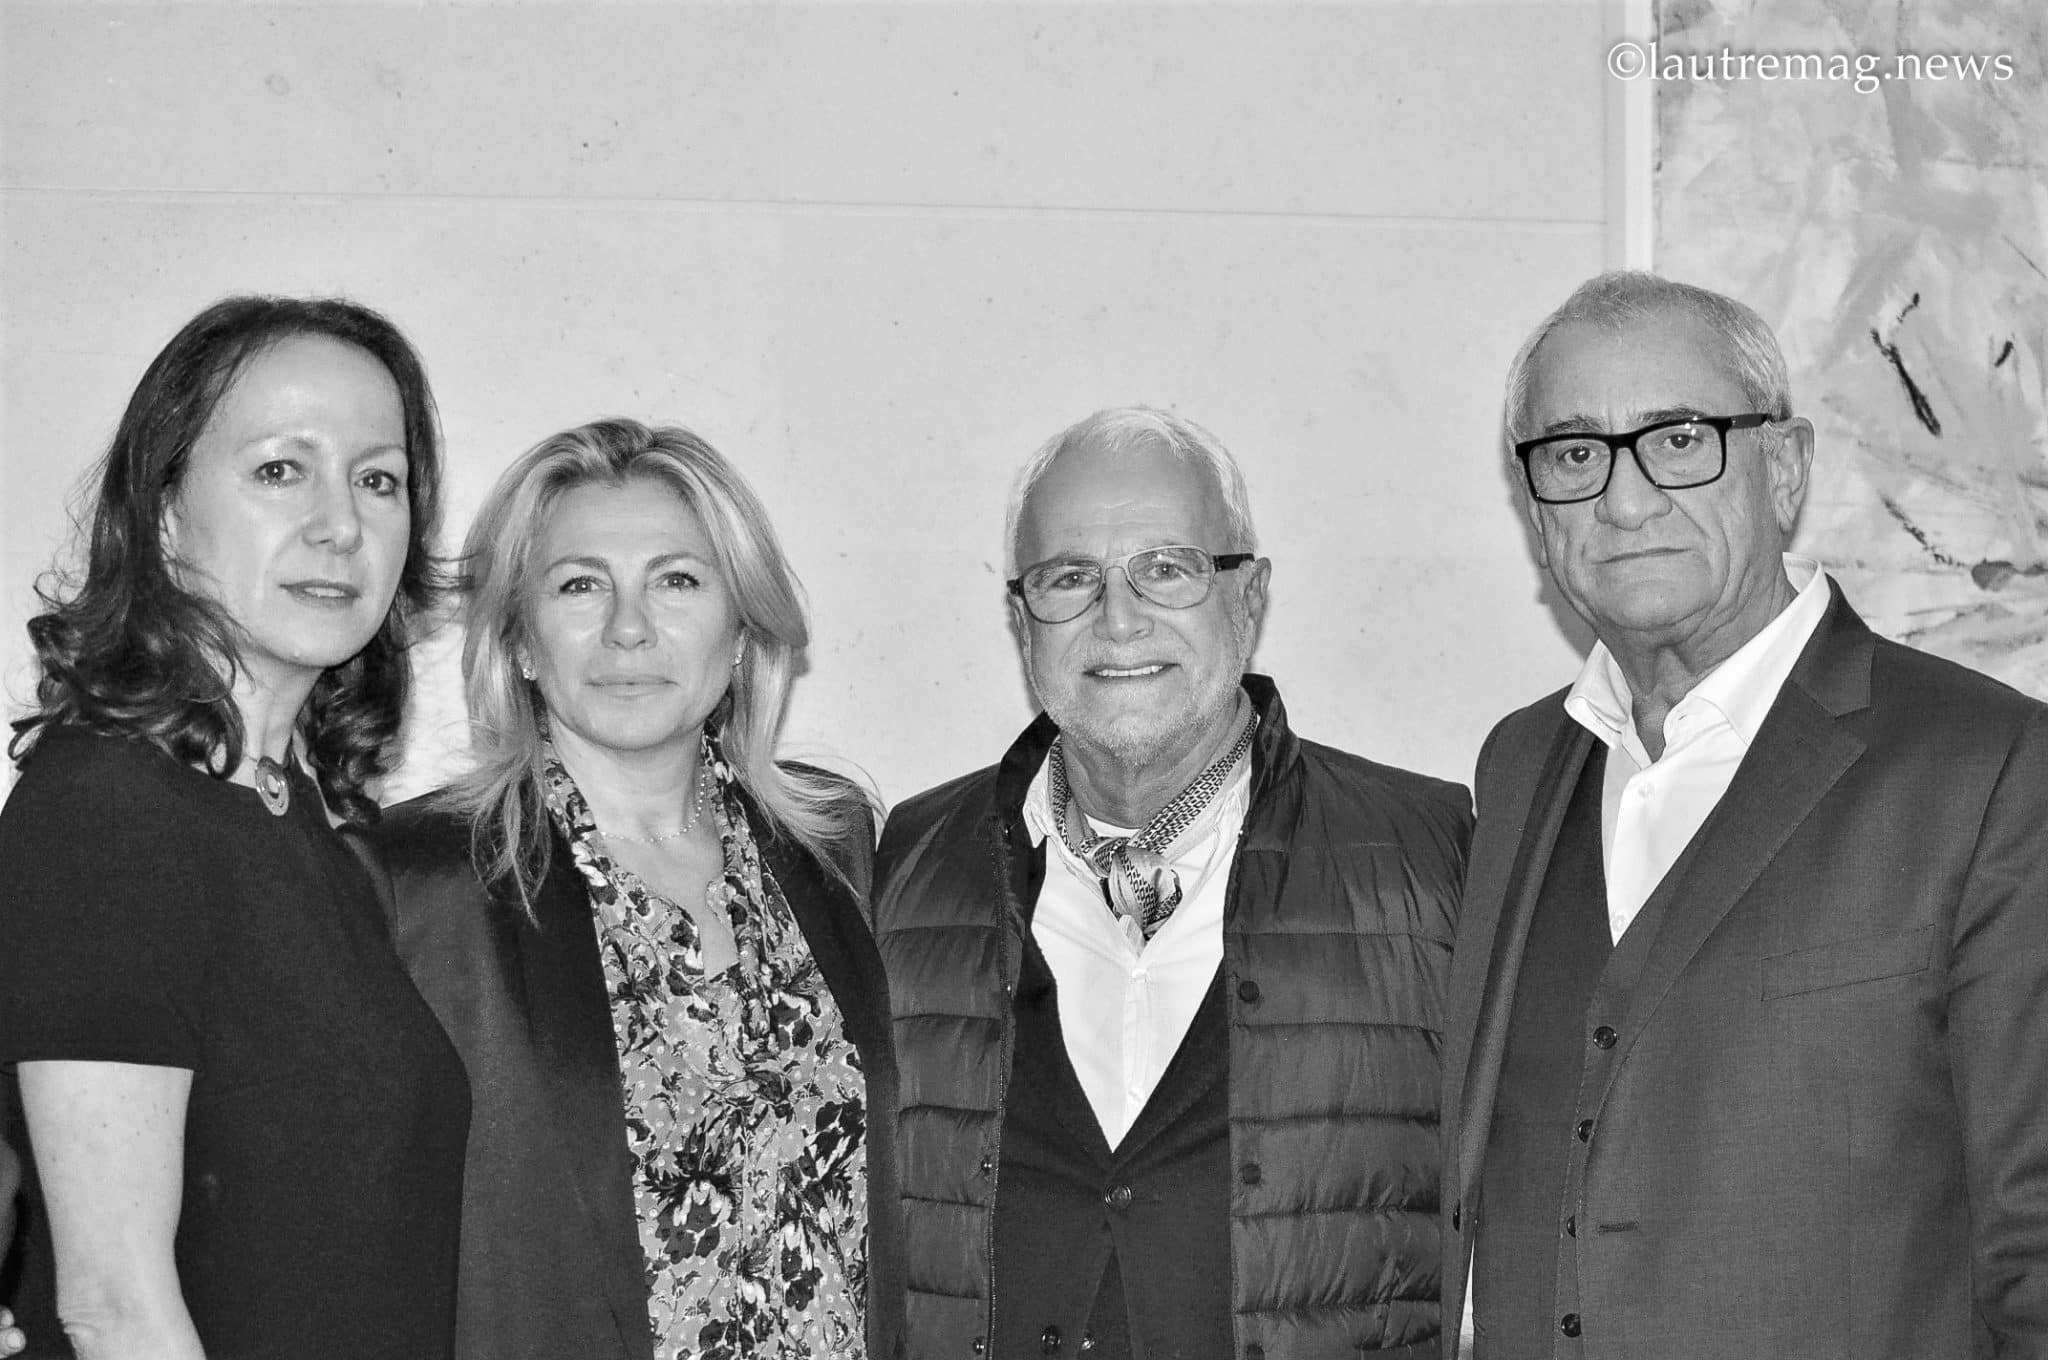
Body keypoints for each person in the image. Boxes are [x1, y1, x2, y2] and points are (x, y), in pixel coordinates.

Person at [1440, 271, 2048, 1358]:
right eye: (1573, 454)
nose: (1625, 501)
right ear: (1535, 509)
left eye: (1679, 440)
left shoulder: (1989, 766)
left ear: (1785, 467)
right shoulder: (1519, 764)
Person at [873, 407, 1472, 1359]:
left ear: (1249, 596)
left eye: (1167, 568)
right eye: (1070, 577)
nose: (1119, 619)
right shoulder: (907, 867)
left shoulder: (1429, 859)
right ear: (1020, 619)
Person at [368, 418, 903, 1360]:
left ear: (741, 631)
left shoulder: (834, 841)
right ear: (520, 640)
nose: (629, 628)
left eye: (677, 580)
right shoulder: (420, 882)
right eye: (580, 585)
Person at [0, 296, 470, 1360]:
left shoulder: (300, 822)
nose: (340, 524)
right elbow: (113, 1307)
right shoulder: (108, 813)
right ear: (163, 515)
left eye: (379, 479)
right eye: (280, 469)